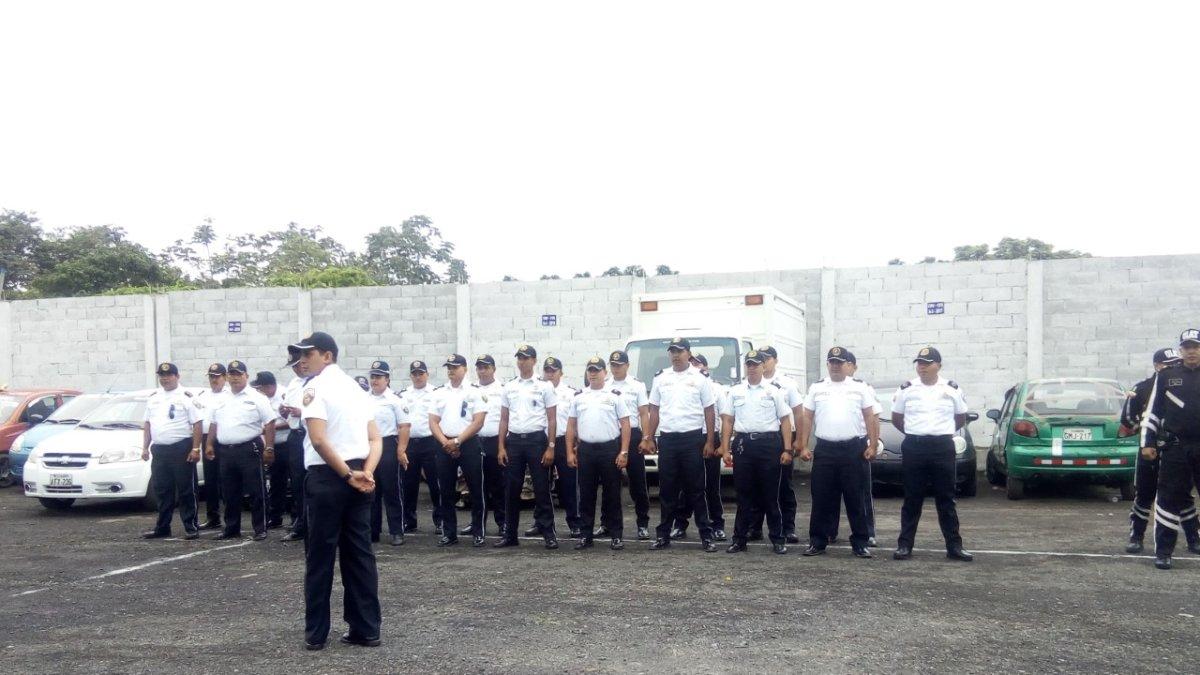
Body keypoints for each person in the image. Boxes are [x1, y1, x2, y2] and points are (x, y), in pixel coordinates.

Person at [293, 331, 383, 650]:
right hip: (359, 473)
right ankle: (366, 628)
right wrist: (366, 472)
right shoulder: (357, 390)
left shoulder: (316, 387)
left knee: (320, 556)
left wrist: (348, 475)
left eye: (310, 353)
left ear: (327, 356)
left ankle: (316, 633)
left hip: (329, 476)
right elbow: (375, 438)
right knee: (359, 555)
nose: (303, 359)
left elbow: (318, 439)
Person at [891, 347, 973, 562]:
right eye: (919, 363)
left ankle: (954, 546)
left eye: (927, 363)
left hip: (942, 447)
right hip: (914, 446)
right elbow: (897, 418)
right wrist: (916, 434)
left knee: (946, 498)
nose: (922, 367)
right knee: (912, 498)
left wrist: (939, 433)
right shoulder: (906, 389)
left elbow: (960, 418)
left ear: (938, 365)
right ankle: (905, 545)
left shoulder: (952, 389)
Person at [798, 347, 878, 559]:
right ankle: (817, 541)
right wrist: (803, 445)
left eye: (839, 362)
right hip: (825, 449)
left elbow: (871, 416)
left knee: (855, 499)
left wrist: (872, 444)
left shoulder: (859, 388)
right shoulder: (817, 388)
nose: (835, 366)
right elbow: (806, 417)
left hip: (853, 449)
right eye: (832, 362)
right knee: (822, 498)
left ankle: (860, 542)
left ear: (846, 365)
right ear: (827, 364)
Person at [1122, 347, 1199, 554]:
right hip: (1150, 449)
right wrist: (1144, 431)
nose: (1173, 366)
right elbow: (1128, 418)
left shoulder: (1181, 384)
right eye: (1168, 363)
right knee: (1145, 493)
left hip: (1174, 448)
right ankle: (1136, 537)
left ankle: (1194, 538)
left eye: (1175, 362)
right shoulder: (1142, 388)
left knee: (1182, 495)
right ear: (1157, 366)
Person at [645, 337, 719, 552]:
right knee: (667, 490)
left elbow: (709, 410)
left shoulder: (700, 378)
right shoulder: (661, 378)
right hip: (668, 439)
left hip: (692, 439)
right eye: (672, 351)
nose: (675, 355)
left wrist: (709, 440)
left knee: (696, 489)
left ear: (688, 353)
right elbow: (654, 410)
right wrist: (649, 436)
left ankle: (706, 536)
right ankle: (663, 536)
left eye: (679, 351)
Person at [720, 350, 792, 555]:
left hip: (769, 445)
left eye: (755, 364)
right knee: (743, 495)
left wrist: (787, 449)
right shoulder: (735, 391)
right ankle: (739, 539)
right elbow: (728, 421)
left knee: (771, 495)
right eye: (748, 364)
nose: (752, 368)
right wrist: (725, 448)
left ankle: (778, 539)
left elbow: (785, 420)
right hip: (744, 445)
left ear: (763, 367)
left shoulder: (774, 391)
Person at [1139, 329, 1200, 570]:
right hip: (1176, 446)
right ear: (1181, 350)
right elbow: (1152, 412)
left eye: (1195, 346)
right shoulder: (1166, 377)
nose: (1192, 351)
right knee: (1168, 499)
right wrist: (1147, 442)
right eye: (1187, 347)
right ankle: (1164, 552)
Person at [494, 344, 559, 549]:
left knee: (541, 488)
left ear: (534, 361)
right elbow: (503, 419)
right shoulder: (509, 386)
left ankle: (548, 533)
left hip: (536, 440)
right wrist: (501, 446)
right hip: (514, 441)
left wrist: (550, 446)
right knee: (511, 490)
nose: (522, 361)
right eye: (519, 358)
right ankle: (510, 535)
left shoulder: (544, 386)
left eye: (526, 358)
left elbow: (552, 419)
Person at [206, 360, 277, 541]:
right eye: (232, 374)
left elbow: (270, 422)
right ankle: (231, 528)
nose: (235, 378)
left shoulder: (257, 397)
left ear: (246, 375)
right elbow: (214, 424)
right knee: (229, 493)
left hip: (249, 448)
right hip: (226, 451)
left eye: (238, 374)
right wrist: (209, 444)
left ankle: (260, 528)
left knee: (256, 491)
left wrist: (269, 447)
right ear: (227, 377)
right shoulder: (222, 398)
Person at [567, 356, 632, 551]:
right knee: (586, 495)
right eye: (590, 370)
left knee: (612, 495)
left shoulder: (614, 395)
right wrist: (570, 452)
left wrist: (624, 451)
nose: (593, 374)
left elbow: (626, 424)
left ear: (605, 372)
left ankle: (616, 535)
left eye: (597, 370)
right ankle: (586, 536)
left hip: (609, 450)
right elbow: (571, 426)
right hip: (586, 450)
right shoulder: (579, 396)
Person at [429, 354, 487, 547]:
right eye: (449, 367)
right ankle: (449, 533)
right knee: (445, 490)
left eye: (455, 367)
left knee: (476, 489)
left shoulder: (474, 391)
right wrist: (446, 442)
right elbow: (433, 421)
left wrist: (458, 441)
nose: (451, 370)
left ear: (465, 368)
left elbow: (478, 421)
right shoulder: (439, 392)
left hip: (468, 442)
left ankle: (478, 531)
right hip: (444, 443)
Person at [140, 362, 203, 540]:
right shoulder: (153, 397)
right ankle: (162, 526)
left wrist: (195, 448)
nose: (165, 379)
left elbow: (197, 423)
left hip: (181, 447)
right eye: (162, 376)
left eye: (168, 375)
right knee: (162, 489)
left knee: (185, 489)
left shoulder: (186, 396)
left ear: (177, 376)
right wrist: (145, 447)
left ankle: (191, 525)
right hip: (160, 449)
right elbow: (148, 423)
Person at [671, 353, 726, 541]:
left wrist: (720, 444)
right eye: (692, 363)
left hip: (710, 437)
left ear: (706, 367)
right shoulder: (683, 384)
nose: (695, 366)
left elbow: (725, 416)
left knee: (711, 485)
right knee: (687, 485)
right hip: (690, 437)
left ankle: (717, 525)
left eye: (699, 363)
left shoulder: (717, 388)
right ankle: (680, 524)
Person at [601, 350, 651, 540]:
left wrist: (646, 437)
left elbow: (643, 413)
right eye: (613, 365)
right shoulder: (605, 385)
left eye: (619, 365)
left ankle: (642, 524)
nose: (616, 368)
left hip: (634, 435)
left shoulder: (637, 385)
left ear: (627, 365)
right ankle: (606, 523)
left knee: (638, 482)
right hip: (612, 436)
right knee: (609, 484)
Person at [398, 360, 444, 535]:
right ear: (411, 375)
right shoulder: (403, 395)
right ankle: (409, 521)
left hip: (430, 442)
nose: (418, 377)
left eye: (421, 373)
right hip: (410, 444)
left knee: (436, 484)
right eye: (414, 374)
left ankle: (440, 520)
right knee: (409, 485)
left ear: (427, 374)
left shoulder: (436, 393)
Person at [366, 360, 409, 547]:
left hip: (388, 445)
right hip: (368, 447)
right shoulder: (363, 399)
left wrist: (401, 450)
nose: (375, 380)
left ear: (387, 379)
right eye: (373, 376)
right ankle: (372, 531)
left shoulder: (395, 400)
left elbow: (404, 426)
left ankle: (396, 531)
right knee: (370, 490)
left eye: (379, 377)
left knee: (392, 491)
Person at [542, 356, 582, 538]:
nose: (550, 374)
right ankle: (541, 522)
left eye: (553, 371)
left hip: (564, 441)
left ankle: (574, 522)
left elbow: (577, 420)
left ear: (561, 373)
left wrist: (576, 443)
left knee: (569, 485)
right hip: (542, 441)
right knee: (541, 484)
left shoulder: (571, 393)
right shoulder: (537, 390)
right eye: (547, 371)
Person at [251, 371, 290, 530]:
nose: (259, 391)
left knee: (293, 482)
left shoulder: (284, 396)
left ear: (270, 386)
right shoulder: (263, 399)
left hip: (287, 443)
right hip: (272, 445)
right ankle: (275, 517)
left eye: (261, 388)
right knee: (275, 482)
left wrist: (270, 427)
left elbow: (293, 421)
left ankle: (296, 518)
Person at [193, 362, 230, 530]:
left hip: (223, 438)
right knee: (211, 479)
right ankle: (213, 517)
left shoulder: (230, 395)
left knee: (227, 480)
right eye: (211, 377)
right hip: (206, 438)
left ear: (225, 377)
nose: (214, 380)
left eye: (217, 377)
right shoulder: (203, 396)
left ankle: (231, 517)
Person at [474, 355, 506, 537]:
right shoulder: (471, 390)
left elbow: (505, 417)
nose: (482, 371)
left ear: (493, 369)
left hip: (495, 440)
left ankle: (503, 523)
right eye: (479, 367)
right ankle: (478, 523)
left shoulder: (503, 389)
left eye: (485, 367)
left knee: (498, 485)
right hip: (476, 441)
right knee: (477, 486)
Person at [280, 349, 309, 542]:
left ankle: (313, 522)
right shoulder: (293, 384)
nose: (296, 370)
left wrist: (302, 411)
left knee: (313, 482)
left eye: (297, 365)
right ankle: (300, 523)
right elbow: (289, 411)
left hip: (311, 434)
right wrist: (285, 411)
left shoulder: (317, 383)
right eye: (293, 367)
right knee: (297, 482)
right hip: (295, 435)